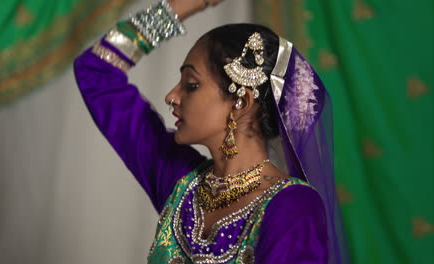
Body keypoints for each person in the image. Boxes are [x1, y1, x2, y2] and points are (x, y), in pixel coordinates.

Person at [74, 0, 349, 263]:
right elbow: (95, 72)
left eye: (191, 84)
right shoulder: (180, 182)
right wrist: (175, 9)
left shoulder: (292, 208)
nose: (171, 96)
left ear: (241, 101)